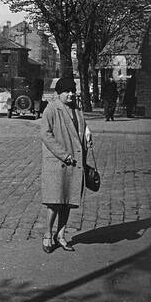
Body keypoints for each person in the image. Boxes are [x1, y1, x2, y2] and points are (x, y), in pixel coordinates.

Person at [40, 77, 91, 253]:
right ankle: (48, 234)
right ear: (58, 93)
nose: (70, 94)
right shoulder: (52, 109)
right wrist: (64, 155)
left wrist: (87, 133)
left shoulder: (76, 109)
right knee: (55, 202)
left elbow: (80, 127)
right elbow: (46, 135)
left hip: (74, 162)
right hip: (59, 162)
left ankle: (60, 235)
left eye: (72, 91)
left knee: (68, 201)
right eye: (66, 92)